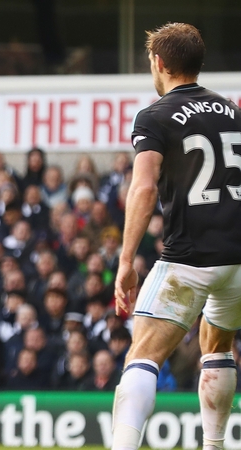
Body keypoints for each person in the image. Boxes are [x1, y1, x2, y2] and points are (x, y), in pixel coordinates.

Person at [112, 23, 241, 450]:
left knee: (143, 355)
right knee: (217, 343)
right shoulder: (232, 111)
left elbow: (144, 187)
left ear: (160, 63)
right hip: (238, 259)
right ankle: (215, 445)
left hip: (190, 257)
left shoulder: (155, 116)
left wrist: (126, 259)